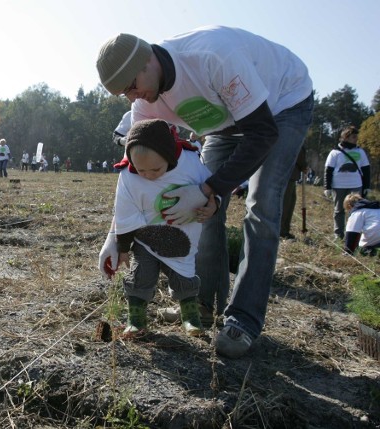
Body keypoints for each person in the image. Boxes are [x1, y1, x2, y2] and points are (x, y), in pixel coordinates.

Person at [96, 26, 314, 358]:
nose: (132, 97)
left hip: (280, 106)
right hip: (225, 124)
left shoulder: (211, 58)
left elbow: (262, 134)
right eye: (123, 94)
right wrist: (116, 235)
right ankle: (205, 302)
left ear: (146, 61)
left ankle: (243, 320)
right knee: (201, 208)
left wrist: (209, 188)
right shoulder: (145, 107)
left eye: (132, 87)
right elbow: (134, 175)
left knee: (262, 206)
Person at [112, 119, 217, 337]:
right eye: (142, 170)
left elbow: (211, 189)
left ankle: (191, 317)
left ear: (169, 156)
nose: (148, 175)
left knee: (184, 277)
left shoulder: (189, 163)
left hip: (182, 235)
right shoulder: (128, 177)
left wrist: (212, 206)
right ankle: (136, 320)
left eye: (155, 169)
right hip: (145, 238)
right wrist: (122, 247)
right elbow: (124, 214)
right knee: (141, 275)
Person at [324, 126, 371, 240]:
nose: (356, 139)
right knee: (339, 210)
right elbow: (328, 170)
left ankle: (353, 235)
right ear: (346, 137)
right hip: (338, 186)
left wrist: (366, 186)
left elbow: (366, 170)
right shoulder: (335, 152)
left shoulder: (360, 152)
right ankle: (338, 234)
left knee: (355, 211)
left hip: (356, 185)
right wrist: (327, 187)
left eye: (356, 137)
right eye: (353, 137)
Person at [280, 146, 308, 239]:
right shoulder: (295, 134)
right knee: (286, 204)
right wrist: (304, 166)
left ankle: (284, 230)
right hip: (288, 174)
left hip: (289, 174)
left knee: (289, 202)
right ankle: (282, 231)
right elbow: (297, 152)